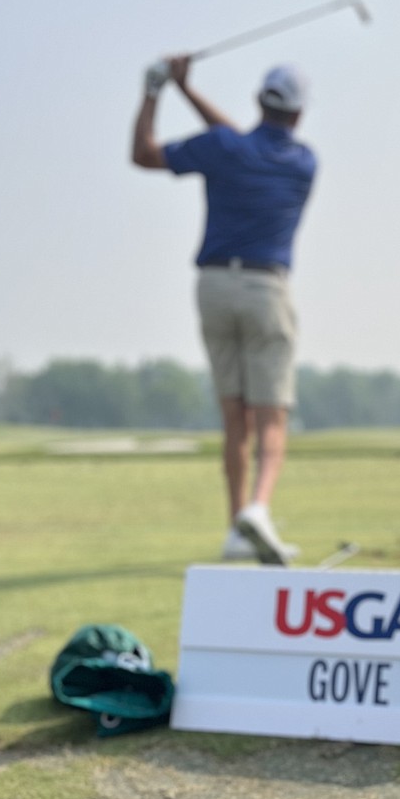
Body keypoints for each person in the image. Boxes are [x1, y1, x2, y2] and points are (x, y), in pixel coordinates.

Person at [131, 55, 317, 564]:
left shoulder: (225, 149)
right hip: (266, 291)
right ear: (299, 115)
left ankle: (237, 527)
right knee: (271, 416)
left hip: (213, 288)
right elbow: (242, 143)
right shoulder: (304, 163)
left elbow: (144, 154)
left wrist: (158, 90)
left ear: (260, 101)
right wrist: (188, 92)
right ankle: (258, 508)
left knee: (235, 416)